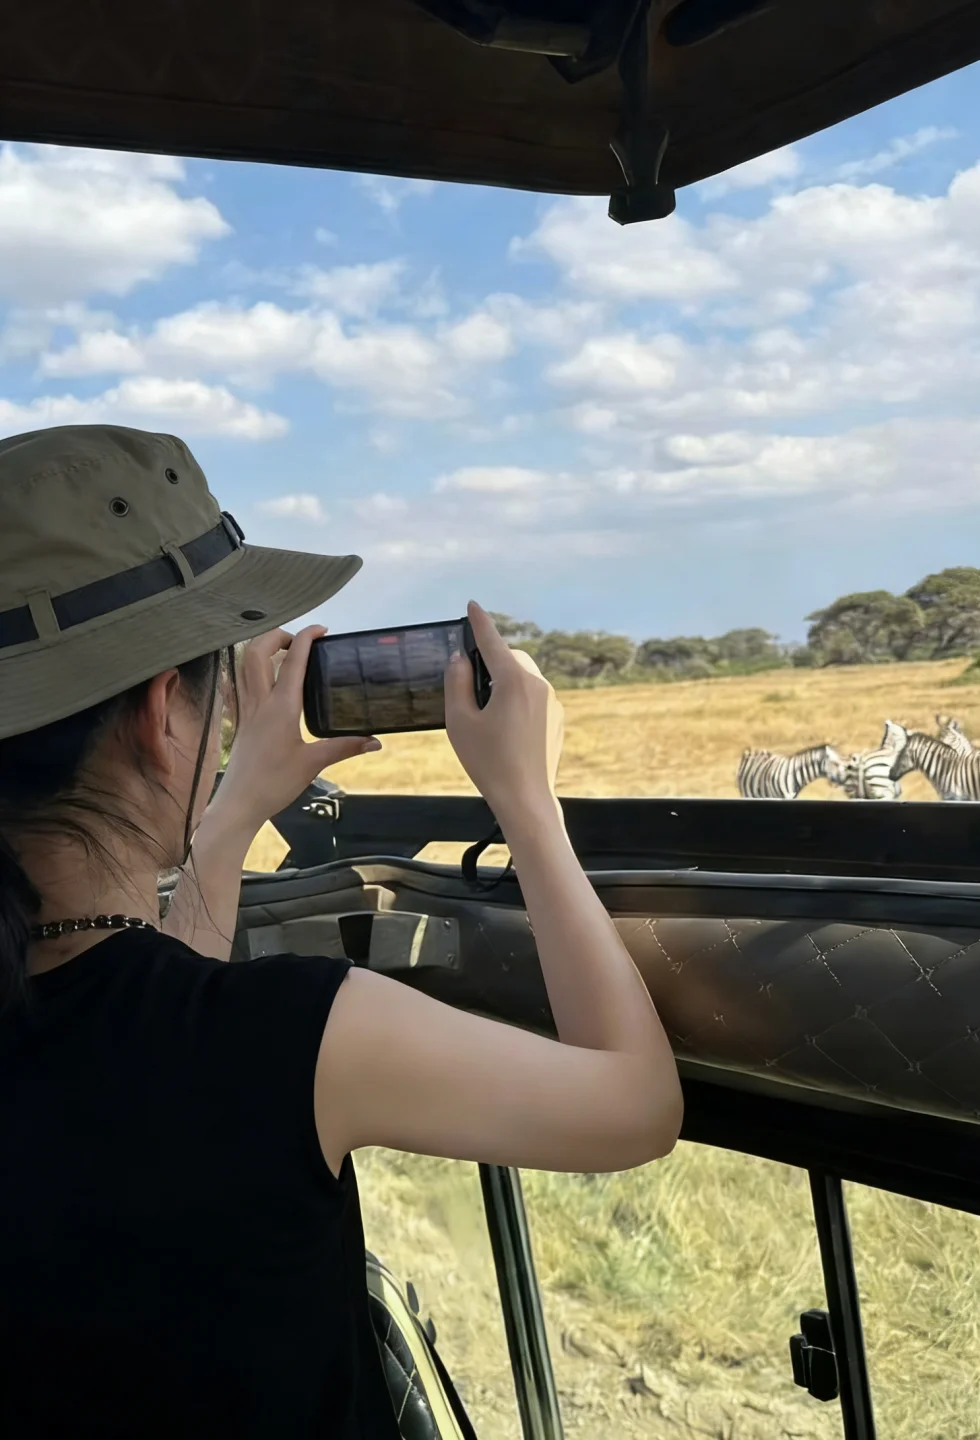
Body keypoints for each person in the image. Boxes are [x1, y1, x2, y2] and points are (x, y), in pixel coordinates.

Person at [0, 425, 683, 1438]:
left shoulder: (124, 1025)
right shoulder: (298, 1039)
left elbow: (144, 1047)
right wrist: (527, 803)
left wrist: (228, 810)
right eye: (216, 690)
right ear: (159, 716)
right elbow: (634, 1104)